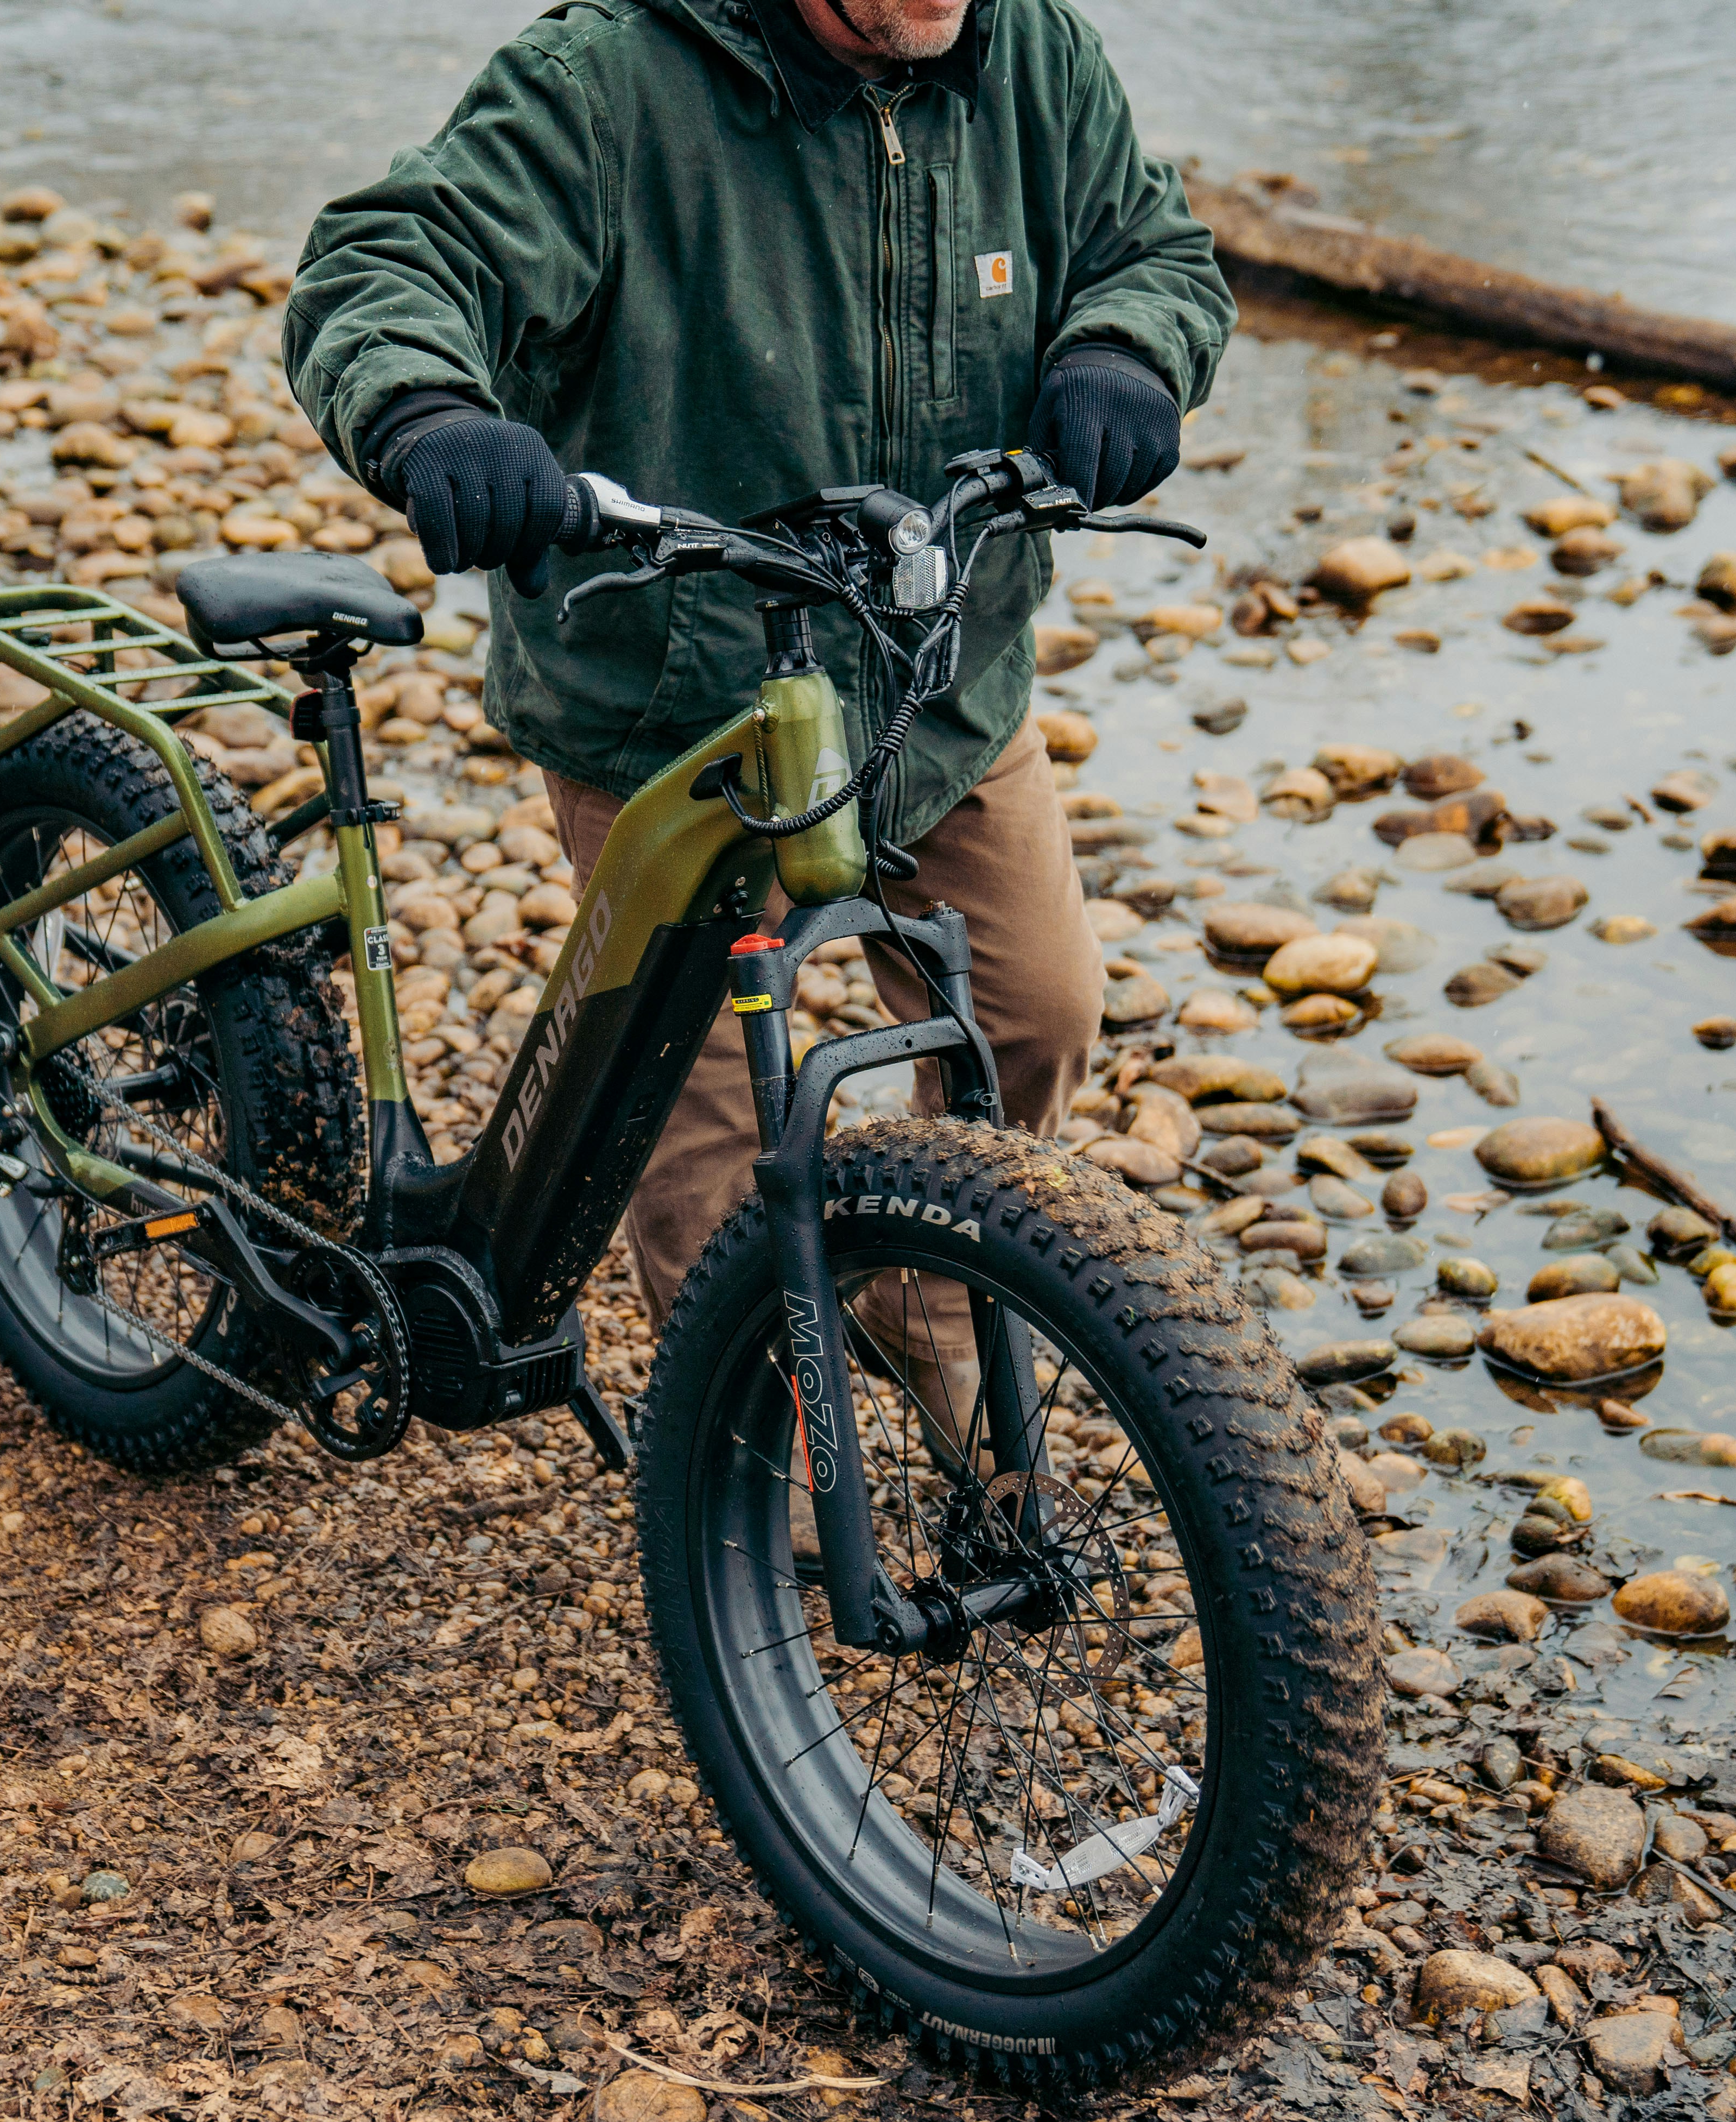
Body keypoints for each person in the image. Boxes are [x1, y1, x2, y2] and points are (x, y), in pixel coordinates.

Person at [286, 0, 1234, 1403]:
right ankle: (747, 1430)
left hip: (937, 683)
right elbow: (390, 259)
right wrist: (432, 412)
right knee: (705, 1118)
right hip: (684, 711)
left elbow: (1152, 251)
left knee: (1037, 1012)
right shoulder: (604, 82)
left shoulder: (1029, 51)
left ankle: (925, 1311)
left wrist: (1129, 347)